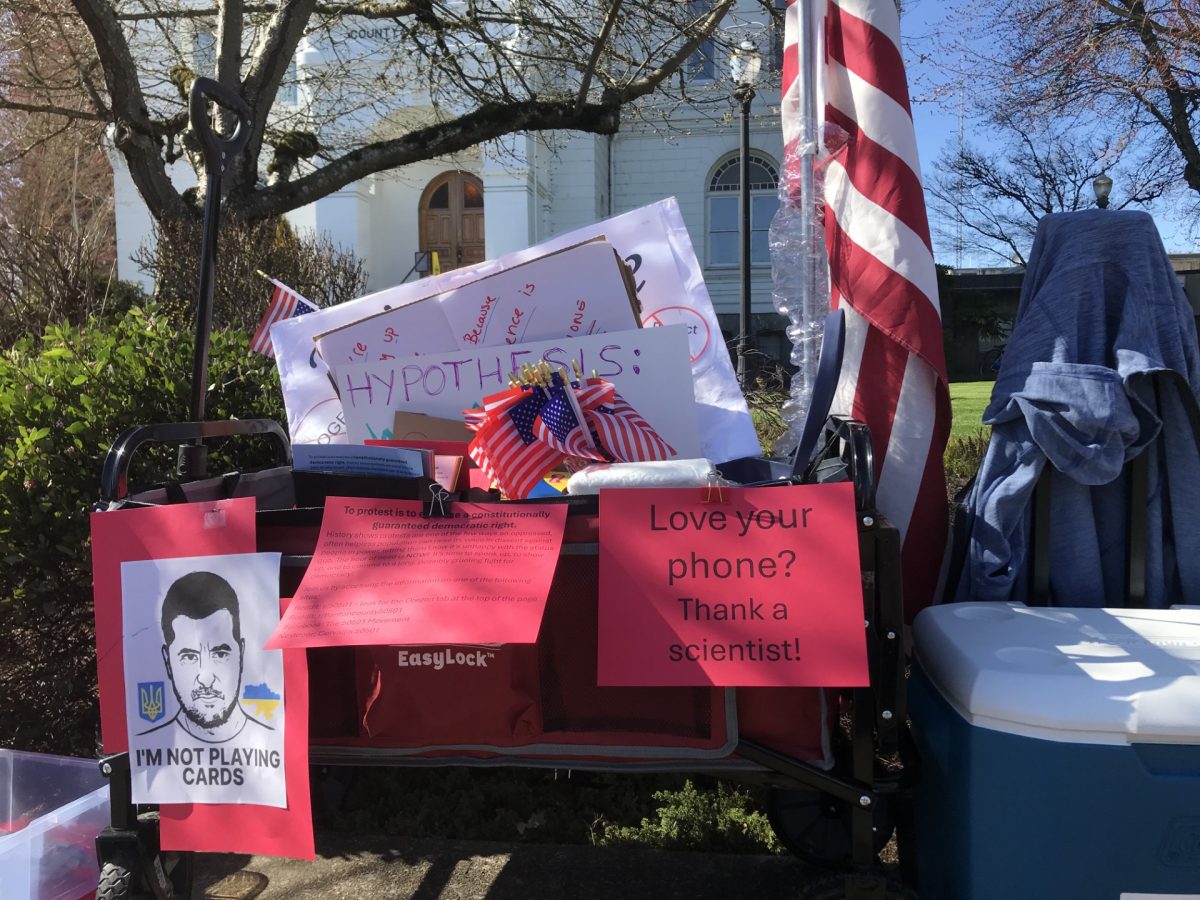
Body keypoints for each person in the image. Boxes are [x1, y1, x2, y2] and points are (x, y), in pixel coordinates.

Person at [140, 570, 272, 743]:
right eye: (189, 657)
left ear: (241, 653)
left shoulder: (270, 741)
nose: (205, 678)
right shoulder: (150, 744)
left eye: (220, 654)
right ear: (167, 661)